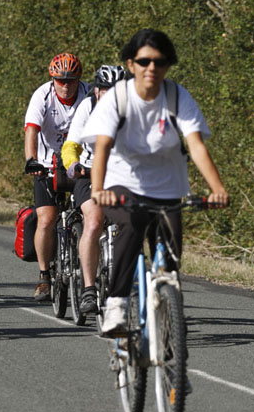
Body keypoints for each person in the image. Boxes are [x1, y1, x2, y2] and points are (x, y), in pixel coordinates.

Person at [81, 29, 230, 335]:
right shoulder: (118, 99)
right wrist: (98, 190)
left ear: (167, 65)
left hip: (167, 185)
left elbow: (196, 145)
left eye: (160, 61)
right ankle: (117, 305)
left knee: (171, 246)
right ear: (131, 64)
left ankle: (168, 309)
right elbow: (103, 147)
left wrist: (217, 189)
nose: (152, 67)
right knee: (133, 225)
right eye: (144, 61)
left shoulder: (176, 96)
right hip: (123, 180)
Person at [23, 53, 91, 302]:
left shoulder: (89, 94)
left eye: (70, 80)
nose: (65, 85)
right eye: (60, 80)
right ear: (52, 79)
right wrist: (32, 160)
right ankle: (44, 277)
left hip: (79, 162)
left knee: (90, 215)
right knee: (46, 218)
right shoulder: (42, 95)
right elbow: (32, 129)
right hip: (47, 163)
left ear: (78, 79)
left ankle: (89, 278)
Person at [60, 65, 127, 314]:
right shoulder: (87, 108)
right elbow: (71, 145)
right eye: (106, 90)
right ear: (97, 92)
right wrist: (73, 165)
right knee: (95, 219)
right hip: (88, 175)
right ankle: (89, 288)